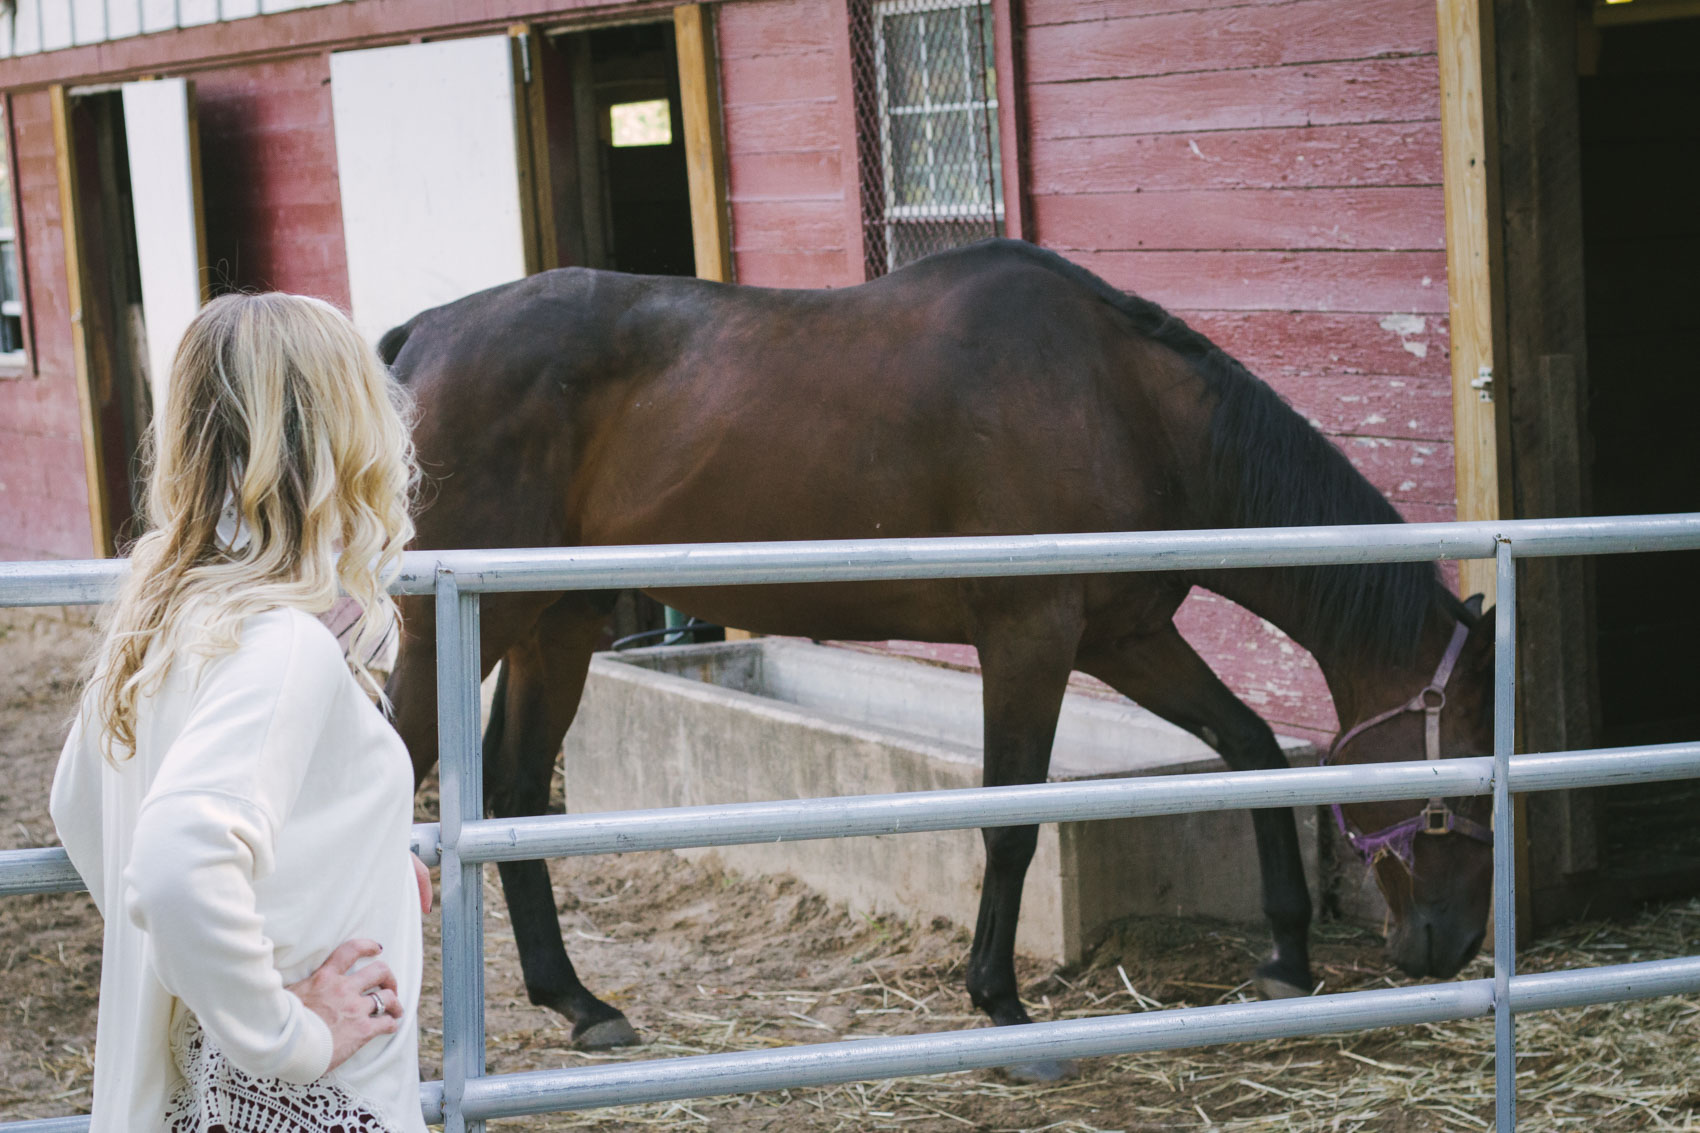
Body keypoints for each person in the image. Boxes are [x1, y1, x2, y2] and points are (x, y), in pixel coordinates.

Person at [51, 292, 431, 1133]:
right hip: (306, 1102)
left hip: (201, 1091)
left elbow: (80, 809)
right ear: (347, 432)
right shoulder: (282, 644)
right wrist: (289, 1034)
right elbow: (175, 861)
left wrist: (348, 864)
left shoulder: (158, 624)